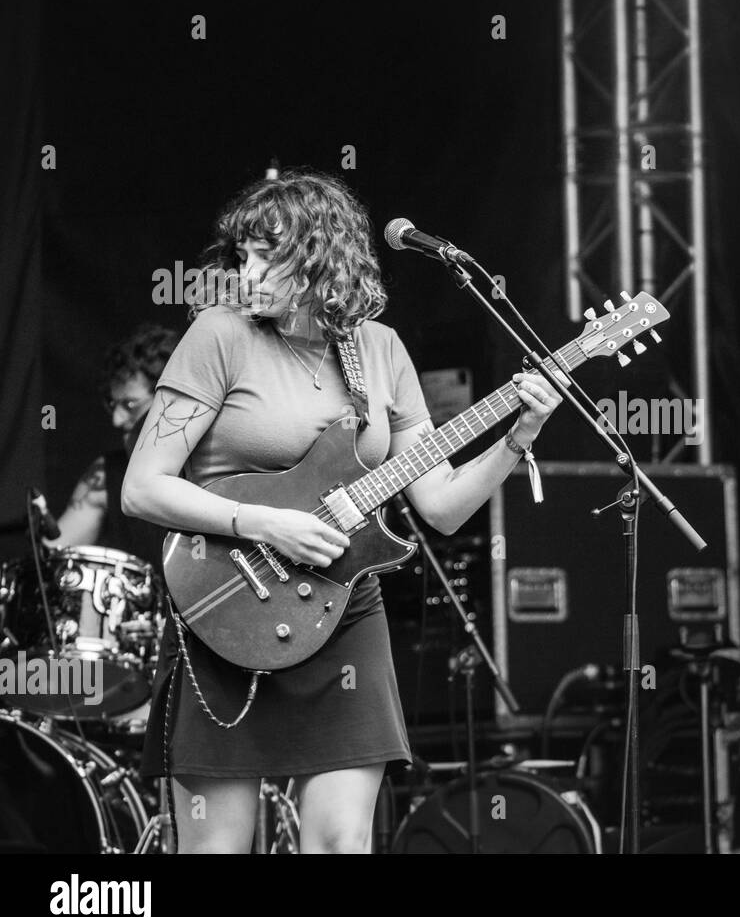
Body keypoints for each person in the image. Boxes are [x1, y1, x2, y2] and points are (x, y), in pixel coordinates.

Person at [123, 170, 562, 853]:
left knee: (339, 845)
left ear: (321, 253)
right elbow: (143, 488)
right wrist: (264, 521)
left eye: (266, 254)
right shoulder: (217, 334)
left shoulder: (379, 350)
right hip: (224, 600)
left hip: (343, 605)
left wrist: (517, 439)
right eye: (240, 255)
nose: (246, 272)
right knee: (215, 849)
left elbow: (441, 506)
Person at [45, 323, 179, 564]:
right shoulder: (105, 474)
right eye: (112, 404)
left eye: (130, 405)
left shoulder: (216, 460)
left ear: (168, 397)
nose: (117, 420)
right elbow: (52, 555)